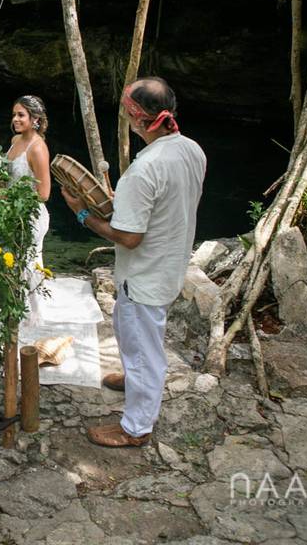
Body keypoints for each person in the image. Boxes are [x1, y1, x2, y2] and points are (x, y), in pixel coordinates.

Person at [61, 77, 206, 447]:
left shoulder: (144, 170)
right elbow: (166, 207)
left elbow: (129, 237)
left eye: (127, 111)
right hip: (169, 265)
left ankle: (135, 427)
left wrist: (82, 215)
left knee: (143, 348)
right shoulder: (192, 150)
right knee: (133, 334)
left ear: (135, 116)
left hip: (143, 274)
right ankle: (133, 379)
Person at [5, 95, 52, 329]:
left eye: (21, 115)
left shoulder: (38, 148)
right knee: (14, 260)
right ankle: (15, 304)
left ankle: (35, 312)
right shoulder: (15, 140)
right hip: (13, 213)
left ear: (35, 119)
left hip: (32, 215)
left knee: (29, 261)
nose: (15, 119)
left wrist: (7, 197)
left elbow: (44, 193)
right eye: (14, 114)